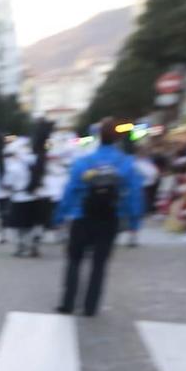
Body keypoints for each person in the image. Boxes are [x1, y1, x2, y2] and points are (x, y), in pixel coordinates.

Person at [55, 121, 145, 318]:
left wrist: (60, 215)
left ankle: (68, 302)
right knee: (99, 264)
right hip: (110, 217)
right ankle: (90, 306)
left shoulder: (83, 162)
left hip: (82, 216)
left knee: (74, 260)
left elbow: (70, 190)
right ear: (118, 139)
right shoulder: (126, 163)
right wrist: (134, 220)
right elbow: (134, 194)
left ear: (98, 137)